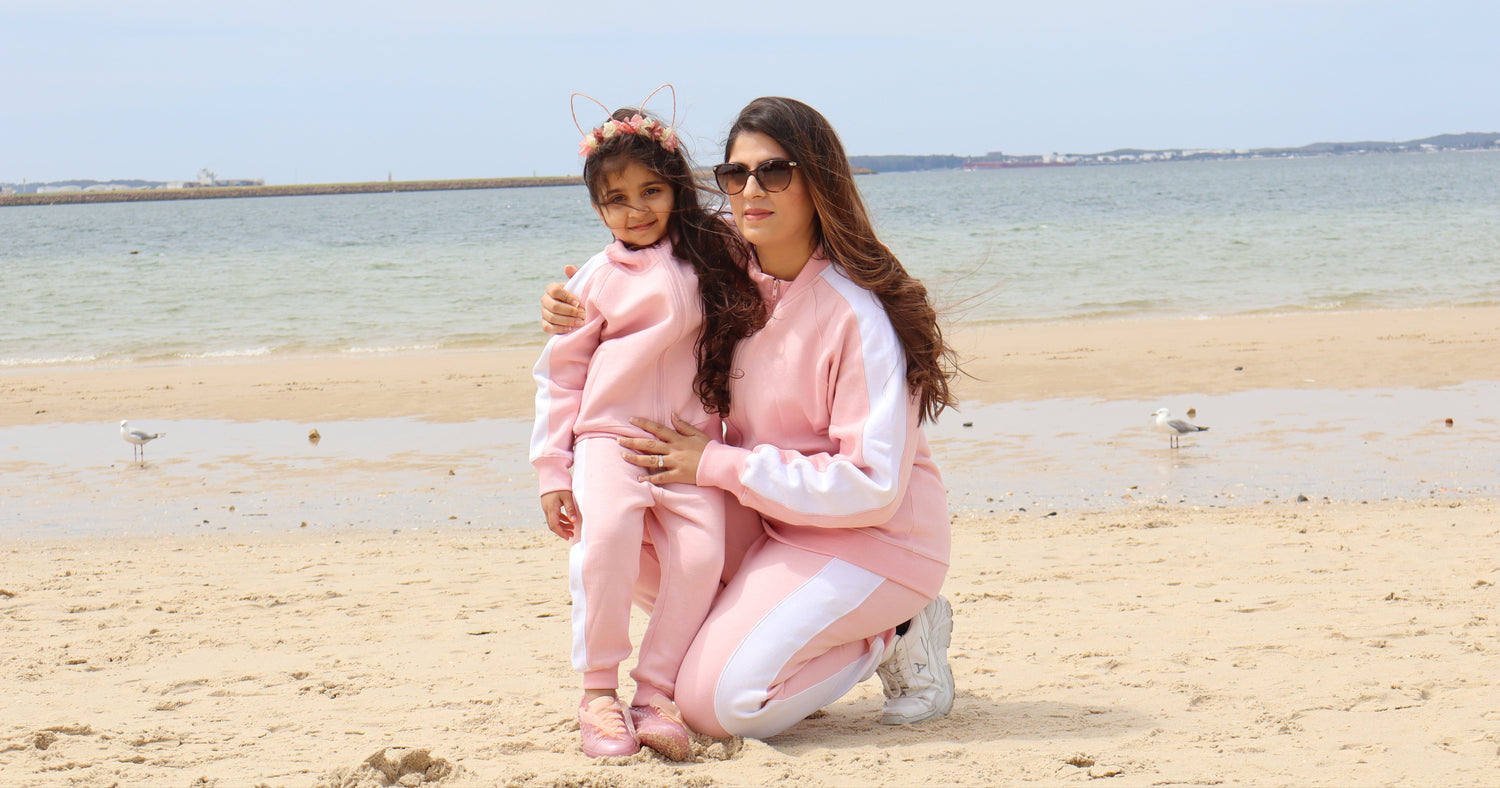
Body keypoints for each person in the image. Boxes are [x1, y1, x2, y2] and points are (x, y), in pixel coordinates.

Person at [541, 96, 961, 740]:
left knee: (718, 708)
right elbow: (636, 253)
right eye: (736, 174)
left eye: (775, 171)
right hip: (766, 518)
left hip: (871, 538)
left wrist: (715, 463)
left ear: (820, 182)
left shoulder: (857, 314)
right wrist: (571, 302)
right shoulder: (723, 266)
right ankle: (759, 642)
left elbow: (874, 486)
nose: (751, 190)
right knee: (623, 523)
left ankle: (894, 632)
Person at [531, 96, 765, 759]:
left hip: (688, 447)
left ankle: (656, 691)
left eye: (651, 191)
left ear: (675, 188)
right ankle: (598, 694)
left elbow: (770, 244)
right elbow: (560, 376)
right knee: (605, 541)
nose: (636, 210)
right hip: (608, 439)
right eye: (616, 199)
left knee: (699, 557)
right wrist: (552, 470)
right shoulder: (596, 279)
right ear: (597, 208)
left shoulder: (716, 251)